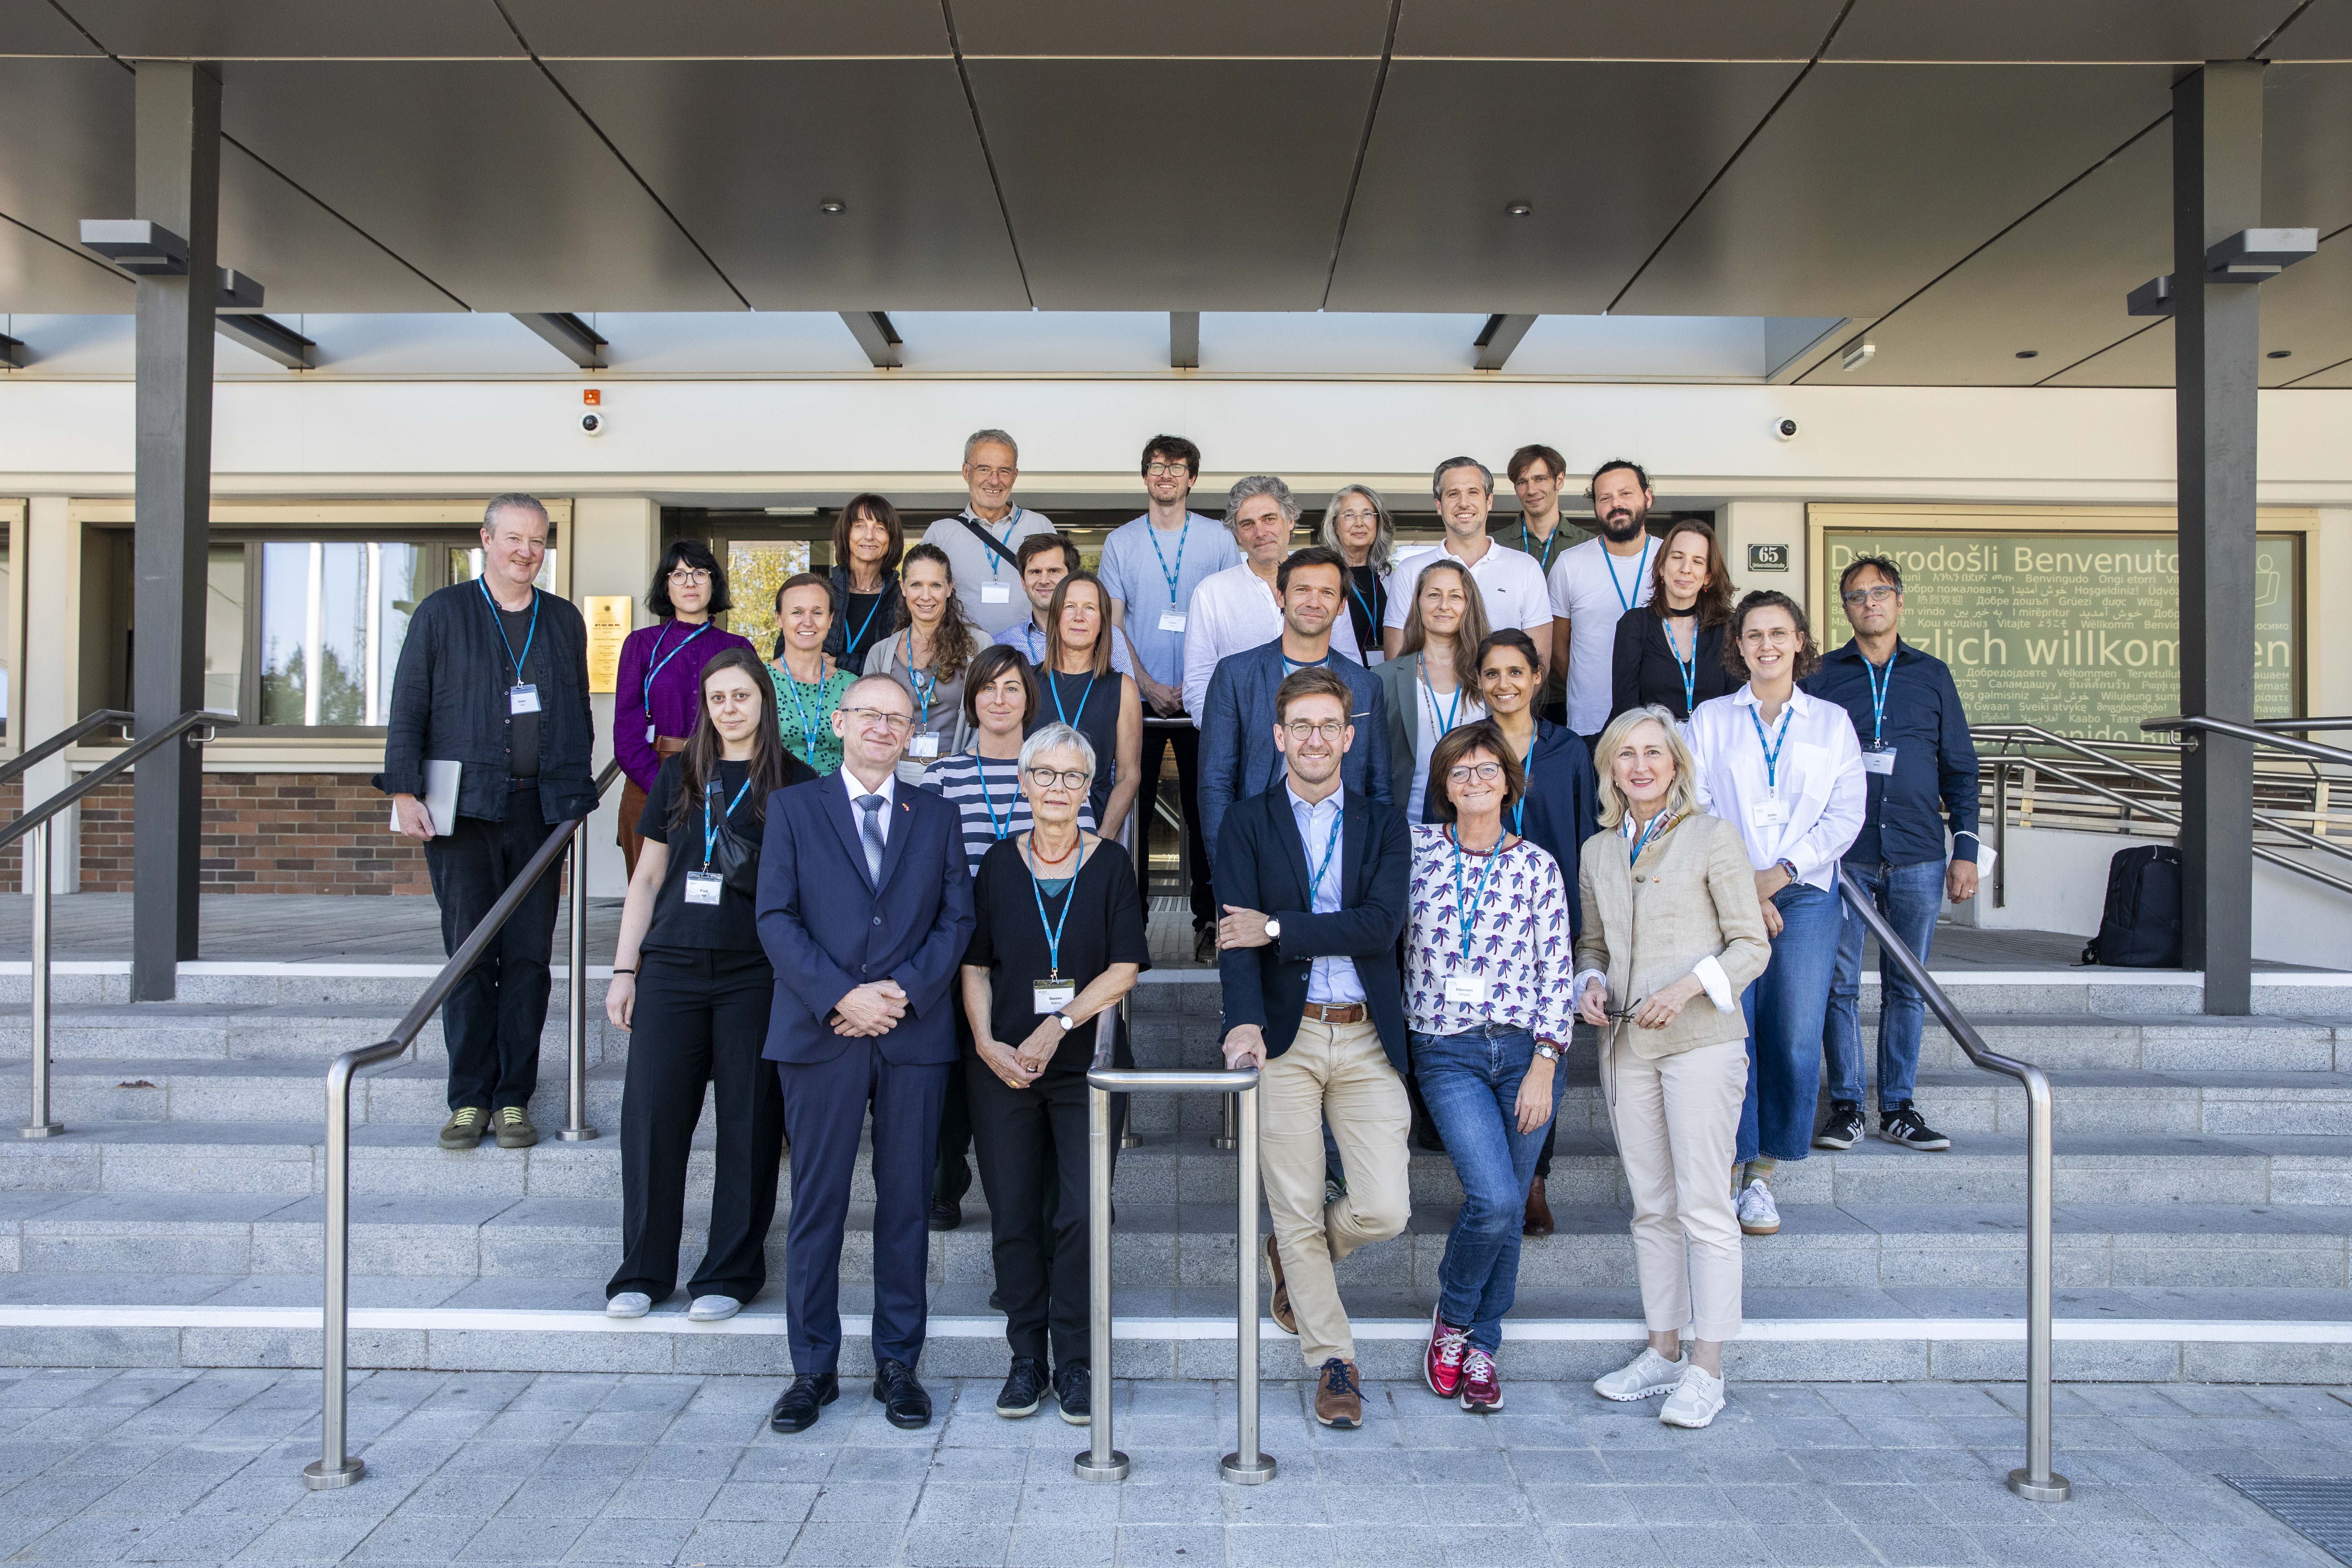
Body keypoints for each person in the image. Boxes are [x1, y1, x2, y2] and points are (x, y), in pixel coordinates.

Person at [758, 675, 974, 1435]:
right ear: (842, 721)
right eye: (870, 714)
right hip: (822, 1032)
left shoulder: (936, 813)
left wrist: (900, 992)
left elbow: (957, 920)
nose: (883, 727)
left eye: (898, 718)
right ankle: (812, 1368)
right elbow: (775, 915)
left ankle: (897, 1364)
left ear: (913, 732)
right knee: (817, 1204)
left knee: (907, 1202)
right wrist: (841, 996)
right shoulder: (792, 808)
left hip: (912, 1034)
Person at [1214, 667, 1411, 1431]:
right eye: (1302, 726)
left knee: (1383, 1207)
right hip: (1283, 1035)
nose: (1316, 739)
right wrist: (1242, 1019)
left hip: (1365, 1032)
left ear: (1350, 737)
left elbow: (1379, 926)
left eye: (1330, 725)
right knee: (1296, 1204)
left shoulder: (1383, 823)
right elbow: (1235, 935)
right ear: (1279, 737)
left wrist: (1279, 926)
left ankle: (1294, 1260)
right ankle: (1335, 1360)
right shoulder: (1246, 821)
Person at [603, 648, 815, 1324]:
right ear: (706, 706)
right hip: (670, 970)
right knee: (653, 1123)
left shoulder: (797, 784)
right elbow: (646, 879)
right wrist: (623, 969)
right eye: (718, 698)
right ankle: (642, 1270)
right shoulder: (678, 775)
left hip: (756, 974)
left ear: (763, 702)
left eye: (742, 696)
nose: (730, 708)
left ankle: (729, 1272)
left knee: (750, 1126)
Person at [1577, 706, 1770, 1431]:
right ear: (1611, 769)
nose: (1641, 766)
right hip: (1626, 1047)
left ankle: (1707, 1368)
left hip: (1700, 1042)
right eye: (1626, 754)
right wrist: (1587, 984)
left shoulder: (1713, 838)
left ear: (1677, 763)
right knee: (1652, 1205)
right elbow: (1592, 943)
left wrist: (1688, 987)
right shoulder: (1599, 851)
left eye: (1654, 752)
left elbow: (1751, 946)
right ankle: (1662, 1351)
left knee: (1704, 1207)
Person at [382, 494, 592, 1154]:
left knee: (529, 959)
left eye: (537, 540)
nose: (526, 551)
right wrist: (402, 790)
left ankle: (512, 1100)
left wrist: (576, 793)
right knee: (471, 955)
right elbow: (408, 705)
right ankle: (469, 1097)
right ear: (486, 540)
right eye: (513, 539)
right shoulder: (442, 613)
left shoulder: (562, 620)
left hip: (541, 812)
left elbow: (578, 711)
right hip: (464, 811)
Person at [960, 723, 1149, 1426]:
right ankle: (1025, 1360)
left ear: (1088, 788)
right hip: (1003, 1068)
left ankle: (1073, 1361)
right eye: (1045, 774)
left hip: (1086, 1069)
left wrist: (1059, 1022)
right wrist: (984, 1041)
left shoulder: (1111, 865)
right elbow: (975, 964)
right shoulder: (997, 865)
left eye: (1073, 777)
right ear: (1024, 781)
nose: (1058, 789)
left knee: (1078, 1214)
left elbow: (1125, 967)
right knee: (1013, 1213)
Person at [1404, 723, 1573, 1414]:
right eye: (1460, 772)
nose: (1475, 781)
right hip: (1447, 1049)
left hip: (1527, 1054)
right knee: (1498, 1198)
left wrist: (1545, 1062)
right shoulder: (1413, 853)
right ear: (1443, 787)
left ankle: (1481, 1345)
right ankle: (1454, 1317)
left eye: (1487, 769)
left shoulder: (1538, 865)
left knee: (1507, 1198)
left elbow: (1557, 973)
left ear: (1509, 778)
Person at [1685, 590, 1864, 1239]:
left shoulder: (1830, 723)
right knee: (1739, 1030)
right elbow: (1695, 802)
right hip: (1728, 891)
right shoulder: (1709, 719)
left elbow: (1846, 813)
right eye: (1753, 635)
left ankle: (1765, 1171)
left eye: (1778, 634)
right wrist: (1746, 888)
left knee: (1792, 1030)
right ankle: (1739, 1165)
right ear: (1738, 646)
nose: (1766, 645)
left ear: (1799, 642)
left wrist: (1781, 875)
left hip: (1807, 893)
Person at [1805, 554, 1981, 1155]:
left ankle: (1900, 1108)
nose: (1870, 603)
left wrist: (1967, 851)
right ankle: (1849, 1105)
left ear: (1900, 602)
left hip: (1919, 854)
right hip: (1845, 855)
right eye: (1857, 596)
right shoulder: (1824, 676)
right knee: (1839, 983)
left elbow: (1960, 767)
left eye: (1880, 593)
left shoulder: (1933, 676)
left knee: (1909, 985)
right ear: (1846, 608)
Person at [922, 647, 1092, 1232]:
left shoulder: (1058, 772)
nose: (999, 699)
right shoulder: (944, 775)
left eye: (1012, 688)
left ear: (1029, 699)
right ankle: (946, 1183)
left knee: (1032, 1079)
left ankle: (1068, 1192)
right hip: (957, 948)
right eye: (988, 688)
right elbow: (924, 870)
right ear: (971, 699)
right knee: (948, 1075)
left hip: (1034, 953)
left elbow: (1086, 862)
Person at [1467, 629, 1601, 1237]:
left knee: (1548, 1052)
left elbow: (1585, 839)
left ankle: (1534, 1178)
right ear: (1478, 682)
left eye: (1516, 673)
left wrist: (1584, 929)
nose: (1504, 685)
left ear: (1538, 677)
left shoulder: (1569, 751)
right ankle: (1492, 1177)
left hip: (1549, 925)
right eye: (1492, 674)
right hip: (1481, 924)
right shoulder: (1465, 748)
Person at [1100, 435, 1239, 961]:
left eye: (1176, 468)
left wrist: (1195, 686)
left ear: (1192, 479)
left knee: (1209, 814)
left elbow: (1226, 617)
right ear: (1145, 477)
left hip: (1206, 700)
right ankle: (1132, 929)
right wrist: (1146, 684)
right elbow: (1112, 624)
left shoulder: (1219, 539)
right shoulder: (1121, 542)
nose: (1166, 476)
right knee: (1131, 814)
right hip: (1139, 701)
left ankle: (1210, 924)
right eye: (1157, 467)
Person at [1196, 545, 1390, 876]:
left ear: (1342, 605)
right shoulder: (1235, 675)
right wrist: (1229, 869)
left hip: (1342, 858)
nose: (1314, 602)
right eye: (1302, 590)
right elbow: (1216, 783)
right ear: (1281, 597)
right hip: (1257, 855)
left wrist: (1371, 869)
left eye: (1327, 592)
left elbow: (1379, 788)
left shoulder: (1365, 685)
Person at [613, 539, 755, 876]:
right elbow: (627, 732)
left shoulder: (737, 646)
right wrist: (665, 785)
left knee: (714, 884)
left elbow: (751, 719)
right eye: (679, 574)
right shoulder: (641, 644)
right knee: (650, 887)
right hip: (650, 777)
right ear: (666, 585)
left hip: (721, 775)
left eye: (699, 573)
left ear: (714, 583)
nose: (690, 583)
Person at [1182, 476, 1363, 722]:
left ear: (1290, 521)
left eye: (1269, 519)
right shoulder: (1212, 592)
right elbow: (1199, 683)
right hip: (1244, 745)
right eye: (1248, 524)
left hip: (1319, 739)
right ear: (1237, 534)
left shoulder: (1323, 584)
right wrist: (1227, 737)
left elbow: (1349, 665)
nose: (1260, 532)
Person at [1383, 458, 1550, 681]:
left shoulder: (1526, 568)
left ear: (1489, 501)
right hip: (1432, 711)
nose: (1464, 503)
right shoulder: (1410, 571)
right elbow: (1397, 664)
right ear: (1439, 505)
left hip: (1502, 710)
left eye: (1473, 492)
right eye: (1453, 494)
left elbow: (1538, 663)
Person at [1548, 459, 1660, 749]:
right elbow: (1558, 648)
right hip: (1591, 722)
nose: (1616, 505)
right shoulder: (1570, 564)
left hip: (1661, 719)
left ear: (1647, 497)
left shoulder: (1671, 559)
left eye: (1626, 494)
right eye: (1605, 498)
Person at [1027, 570, 1143, 844]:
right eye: (1070, 607)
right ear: (1055, 617)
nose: (1079, 617)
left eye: (1090, 608)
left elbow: (1129, 774)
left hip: (1095, 822)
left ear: (1103, 622)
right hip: (1030, 823)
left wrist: (1105, 836)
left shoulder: (1123, 688)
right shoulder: (1026, 682)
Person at [1373, 556, 1491, 819]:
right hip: (1409, 826)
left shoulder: (1490, 675)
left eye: (1456, 597)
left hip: (1479, 824)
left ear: (1469, 605)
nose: (1444, 606)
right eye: (1434, 595)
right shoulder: (1385, 677)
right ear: (1418, 603)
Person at [920, 429, 1056, 638]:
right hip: (961, 660)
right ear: (967, 472)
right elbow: (921, 600)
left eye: (1004, 471)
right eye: (984, 469)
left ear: (1015, 476)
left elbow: (1064, 596)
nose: (994, 481)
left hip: (1031, 659)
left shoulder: (1040, 527)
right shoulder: (941, 534)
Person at [862, 542, 979, 779]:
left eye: (935, 585)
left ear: (949, 588)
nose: (926, 596)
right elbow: (867, 720)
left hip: (958, 773)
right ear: (903, 588)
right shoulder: (881, 653)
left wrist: (969, 766)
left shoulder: (978, 646)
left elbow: (988, 714)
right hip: (895, 775)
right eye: (917, 585)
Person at [1611, 518, 1735, 726]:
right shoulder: (1635, 624)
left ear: (1708, 577)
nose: (1686, 569)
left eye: (1698, 561)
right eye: (1677, 557)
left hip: (1713, 750)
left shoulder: (1727, 629)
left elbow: (1736, 704)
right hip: (1654, 748)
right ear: (1661, 567)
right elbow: (1626, 711)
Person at [1508, 446, 1590, 727]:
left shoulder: (1589, 547)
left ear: (1560, 480)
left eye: (1540, 479)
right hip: (1507, 690)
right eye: (1522, 482)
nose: (1531, 489)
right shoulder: (1494, 546)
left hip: (1569, 693)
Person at [993, 533, 1136, 677]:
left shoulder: (1108, 637)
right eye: (1035, 572)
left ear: (1072, 578)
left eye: (1053, 571)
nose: (1044, 580)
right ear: (1024, 582)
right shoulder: (1003, 643)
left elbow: (1124, 695)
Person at [769, 573, 853, 776]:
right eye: (797, 612)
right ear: (779, 618)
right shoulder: (758, 681)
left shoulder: (852, 686)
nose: (808, 622)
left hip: (836, 801)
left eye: (817, 613)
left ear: (831, 619)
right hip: (774, 798)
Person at [821, 493, 904, 675]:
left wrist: (839, 662)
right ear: (847, 534)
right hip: (820, 700)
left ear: (892, 540)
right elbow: (789, 656)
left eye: (880, 528)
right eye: (860, 526)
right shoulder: (821, 594)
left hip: (879, 700)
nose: (869, 536)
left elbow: (901, 665)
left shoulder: (903, 599)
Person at [1318, 484, 1396, 664]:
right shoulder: (1323, 577)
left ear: (1378, 524)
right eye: (1349, 515)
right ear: (1335, 525)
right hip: (1337, 681)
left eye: (1367, 514)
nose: (1359, 523)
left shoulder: (1389, 579)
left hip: (1386, 681)